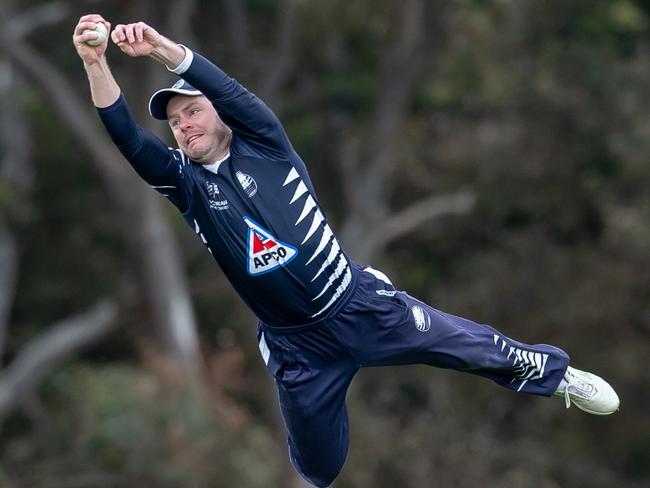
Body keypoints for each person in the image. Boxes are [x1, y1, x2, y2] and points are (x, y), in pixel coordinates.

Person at [73, 14, 620, 488]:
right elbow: (125, 137)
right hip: (297, 350)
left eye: (191, 111)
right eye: (174, 122)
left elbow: (230, 89)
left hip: (358, 305)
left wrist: (164, 49)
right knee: (320, 472)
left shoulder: (264, 141)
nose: (183, 124)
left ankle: (557, 375)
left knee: (468, 346)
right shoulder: (186, 186)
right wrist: (96, 62)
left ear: (218, 113)